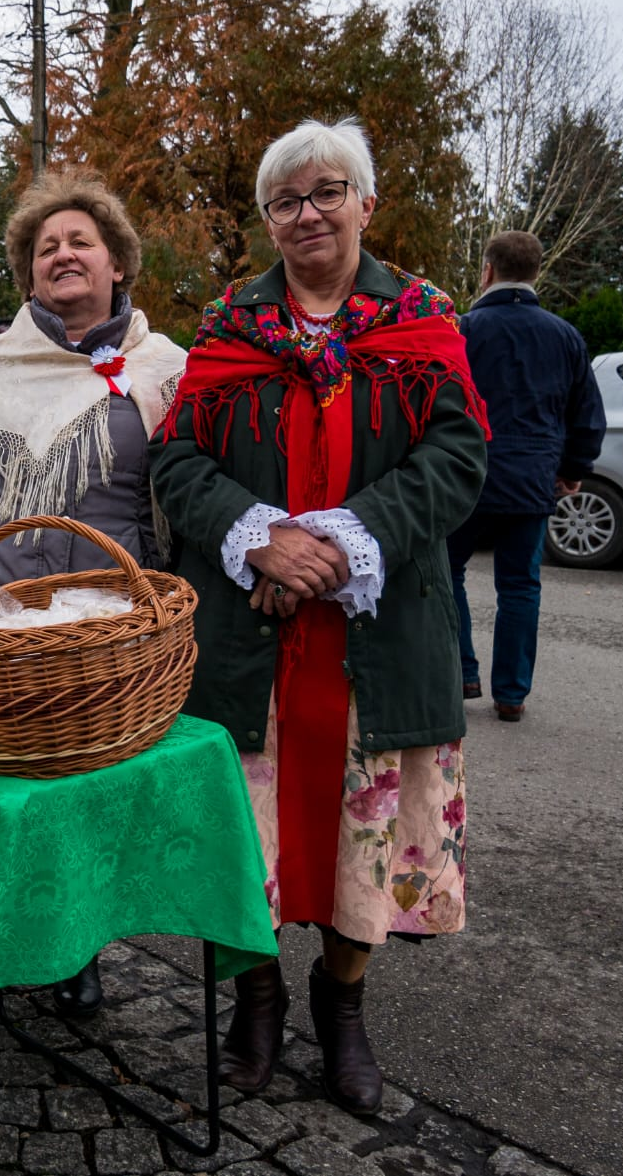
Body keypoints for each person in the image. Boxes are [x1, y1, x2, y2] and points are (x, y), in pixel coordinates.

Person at [150, 118, 489, 1115]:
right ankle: (252, 1005)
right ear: (268, 220)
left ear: (365, 203)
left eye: (326, 191)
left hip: (379, 643)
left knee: (365, 847)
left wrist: (343, 540)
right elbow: (176, 459)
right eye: (286, 200)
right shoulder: (223, 331)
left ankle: (340, 1007)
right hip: (250, 645)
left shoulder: (424, 318)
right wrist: (255, 535)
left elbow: (461, 455)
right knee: (245, 842)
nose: (307, 212)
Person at [0, 169, 187, 1017]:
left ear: (117, 262)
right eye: (45, 246)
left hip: (109, 627)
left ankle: (73, 944)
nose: (63, 254)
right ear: (29, 274)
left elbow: (188, 496)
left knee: (80, 798)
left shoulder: (163, 370)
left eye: (79, 240)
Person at [446, 230, 605, 722]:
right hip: (533, 480)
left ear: (487, 271)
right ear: (537, 273)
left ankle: (461, 671)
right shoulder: (565, 336)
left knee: (448, 572)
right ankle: (511, 693)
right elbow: (586, 413)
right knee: (520, 585)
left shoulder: (463, 330)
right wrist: (574, 469)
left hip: (466, 477)